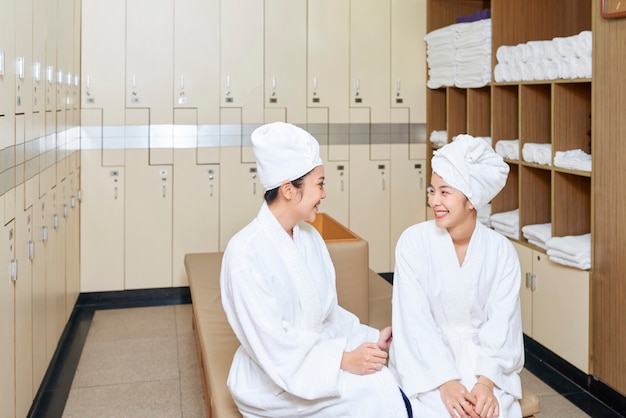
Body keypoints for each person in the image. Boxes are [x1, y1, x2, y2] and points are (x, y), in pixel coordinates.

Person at [220, 122, 411, 418]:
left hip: (316, 361)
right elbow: (273, 346)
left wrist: (371, 339)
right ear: (288, 189)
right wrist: (343, 360)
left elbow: (328, 315)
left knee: (393, 376)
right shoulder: (245, 254)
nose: (324, 194)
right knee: (375, 389)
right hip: (272, 381)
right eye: (319, 184)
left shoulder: (310, 238)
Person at [389, 135, 524, 418]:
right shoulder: (413, 243)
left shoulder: (502, 252)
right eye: (432, 190)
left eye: (444, 192)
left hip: (485, 363)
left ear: (471, 200)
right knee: (441, 412)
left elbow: (502, 326)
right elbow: (413, 321)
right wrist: (446, 381)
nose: (433, 201)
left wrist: (485, 383)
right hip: (426, 363)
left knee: (492, 412)